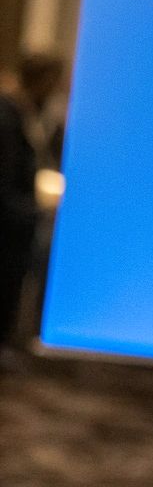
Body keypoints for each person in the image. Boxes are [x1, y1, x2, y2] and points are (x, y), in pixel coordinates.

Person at [1, 53, 63, 359]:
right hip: (10, 221)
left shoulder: (28, 114)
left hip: (18, 219)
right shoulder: (8, 114)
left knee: (16, 282)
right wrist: (32, 209)